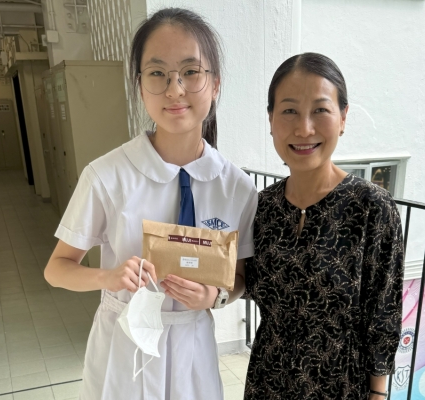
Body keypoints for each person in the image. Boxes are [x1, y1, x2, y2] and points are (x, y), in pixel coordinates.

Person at [44, 8, 257, 400]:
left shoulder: (236, 188)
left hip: (193, 346)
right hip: (124, 345)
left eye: (190, 72)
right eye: (158, 73)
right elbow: (57, 269)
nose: (174, 89)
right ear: (140, 87)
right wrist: (107, 278)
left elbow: (239, 279)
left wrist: (214, 298)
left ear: (215, 84)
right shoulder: (107, 175)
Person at [244, 53, 404, 400]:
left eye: (320, 110)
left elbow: (383, 312)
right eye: (289, 110)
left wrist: (378, 394)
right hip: (268, 379)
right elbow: (245, 282)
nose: (304, 128)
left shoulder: (371, 207)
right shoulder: (261, 207)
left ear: (343, 118)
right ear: (271, 119)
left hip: (339, 385)